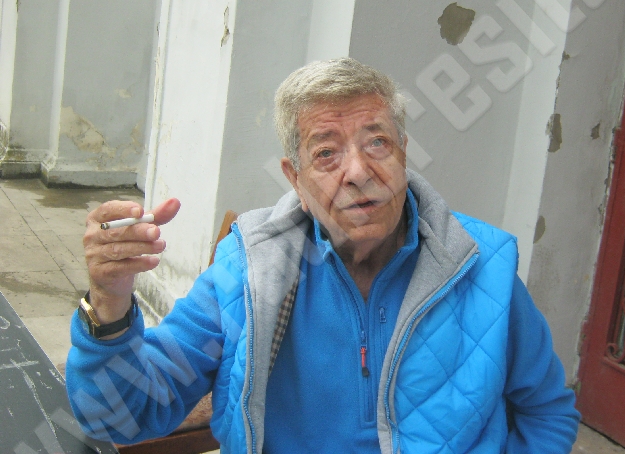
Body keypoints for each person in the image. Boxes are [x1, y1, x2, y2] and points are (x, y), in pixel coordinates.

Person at [67, 58, 580, 453]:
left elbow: (546, 411)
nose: (357, 172)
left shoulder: (482, 266)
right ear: (296, 179)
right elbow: (120, 416)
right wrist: (109, 302)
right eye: (326, 153)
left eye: (377, 143)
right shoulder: (250, 270)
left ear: (403, 153)